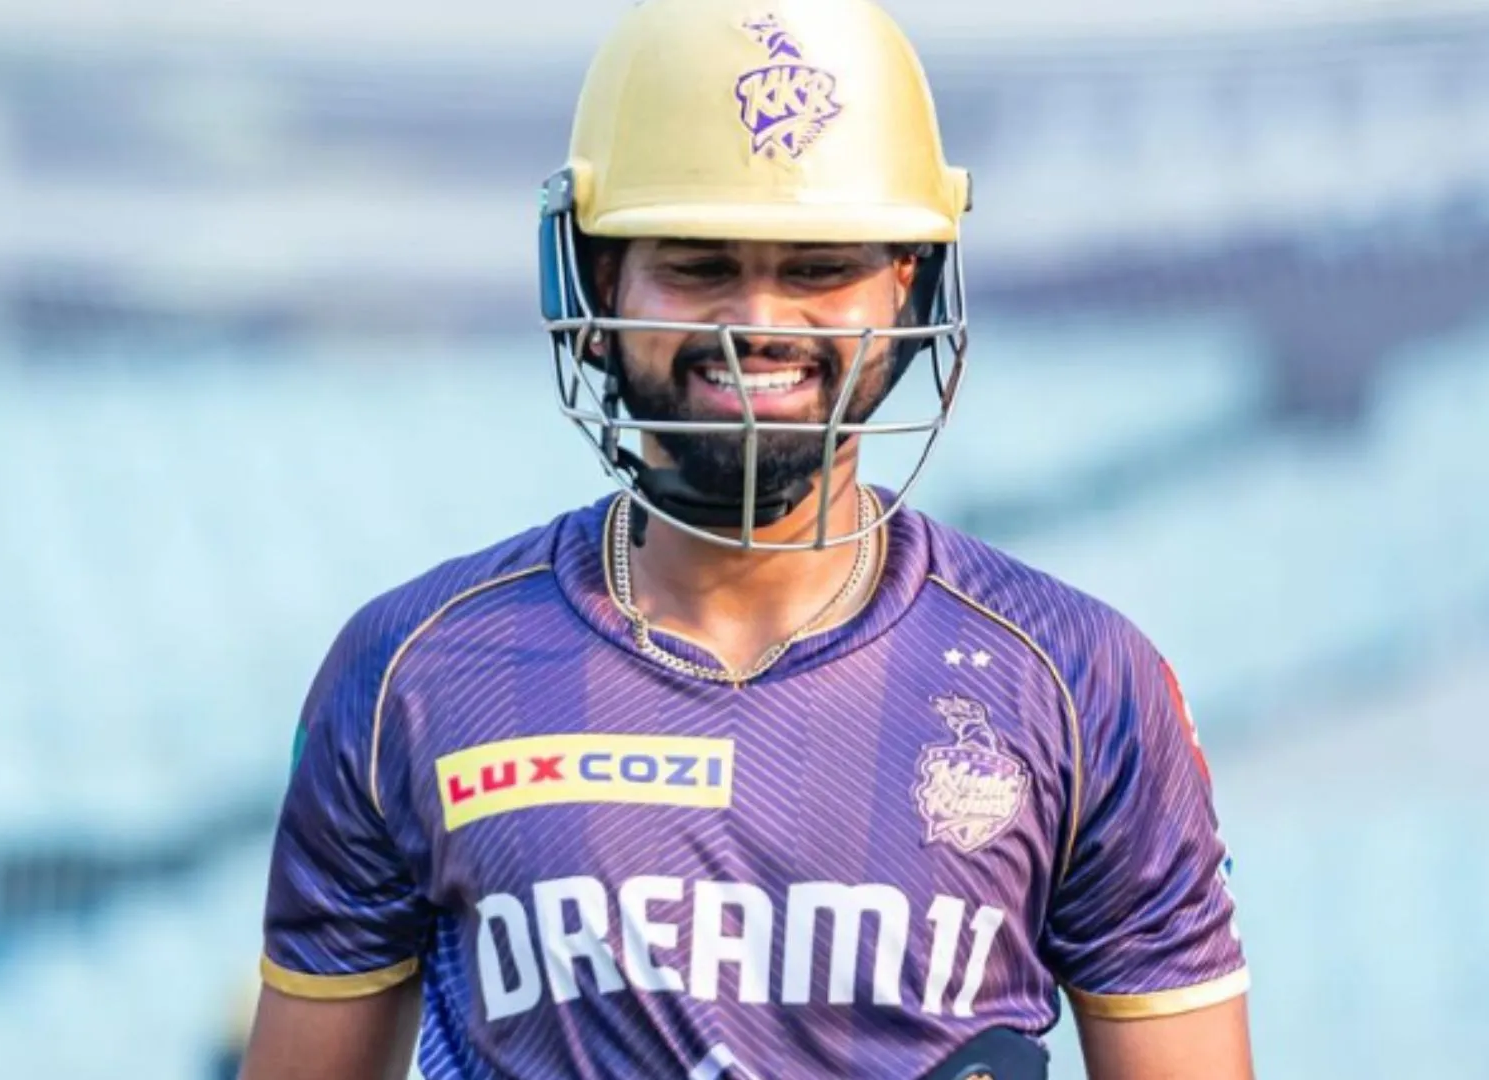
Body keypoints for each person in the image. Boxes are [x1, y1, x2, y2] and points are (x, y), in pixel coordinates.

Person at [238, 0, 1253, 1076]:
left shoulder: (1083, 680)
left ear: (906, 281)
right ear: (598, 281)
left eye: (818, 268)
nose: (759, 322)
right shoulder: (412, 672)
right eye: (699, 264)